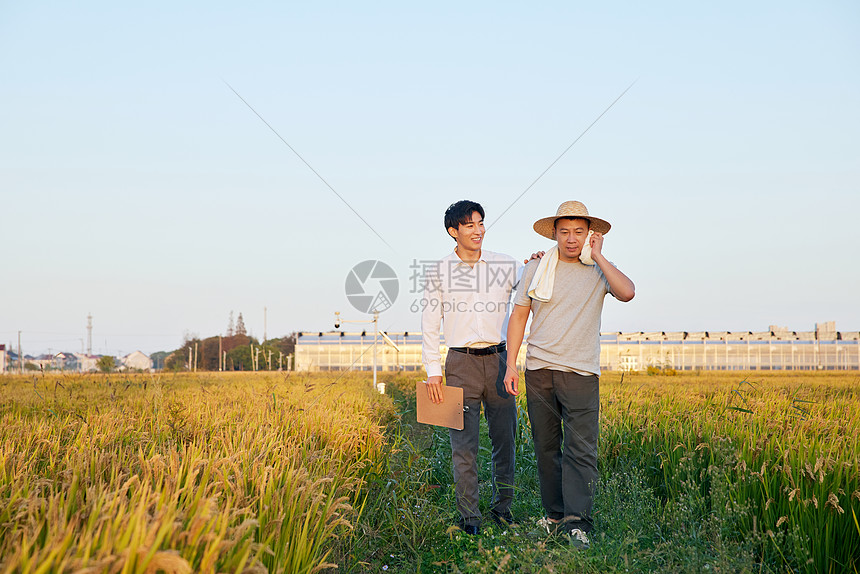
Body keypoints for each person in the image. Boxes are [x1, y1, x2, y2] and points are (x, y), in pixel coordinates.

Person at [503, 200, 635, 548]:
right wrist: (510, 364)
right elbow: (518, 317)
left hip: (580, 372)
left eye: (579, 232)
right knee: (546, 447)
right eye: (565, 232)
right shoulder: (537, 268)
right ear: (555, 234)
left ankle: (579, 523)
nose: (572, 239)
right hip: (539, 370)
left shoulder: (599, 271)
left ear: (590, 235)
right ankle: (554, 516)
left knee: (581, 449)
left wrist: (601, 256)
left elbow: (628, 292)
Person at [422, 200, 521, 535]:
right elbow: (429, 321)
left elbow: (530, 297)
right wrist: (433, 369)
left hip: (500, 360)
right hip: (459, 363)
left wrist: (535, 265)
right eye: (470, 225)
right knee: (463, 444)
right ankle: (469, 518)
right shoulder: (439, 271)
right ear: (454, 231)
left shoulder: (505, 265)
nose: (478, 230)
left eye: (481, 223)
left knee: (505, 439)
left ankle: (503, 510)